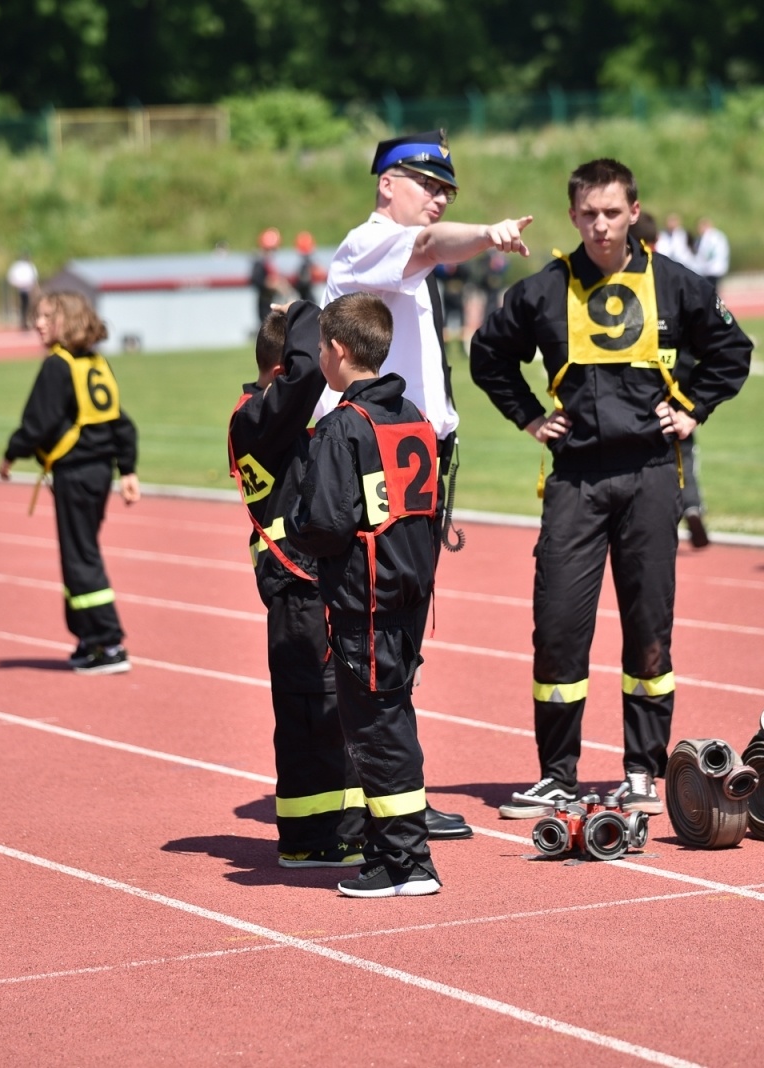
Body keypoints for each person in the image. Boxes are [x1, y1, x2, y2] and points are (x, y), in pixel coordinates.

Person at [470, 158, 753, 818]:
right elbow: (488, 354)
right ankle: (558, 775)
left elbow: (730, 350)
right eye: (588, 214)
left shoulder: (679, 283)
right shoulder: (542, 290)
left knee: (649, 633)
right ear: (573, 217)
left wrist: (690, 406)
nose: (600, 225)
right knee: (559, 629)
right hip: (575, 479)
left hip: (653, 476)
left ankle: (641, 773)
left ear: (633, 210)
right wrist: (531, 416)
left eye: (611, 212)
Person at [316, 129, 533, 841]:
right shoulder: (369, 243)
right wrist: (491, 231)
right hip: (371, 460)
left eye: (447, 191)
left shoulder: (409, 256)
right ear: (386, 184)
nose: (438, 198)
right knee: (371, 639)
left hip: (416, 463)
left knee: (402, 640)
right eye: (425, 184)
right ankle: (371, 797)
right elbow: (436, 247)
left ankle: (396, 791)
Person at [287, 292, 442, 897]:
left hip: (365, 599)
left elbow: (325, 521)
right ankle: (392, 847)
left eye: (322, 347)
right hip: (409, 593)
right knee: (393, 716)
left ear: (337, 350)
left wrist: (297, 529)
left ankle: (406, 861)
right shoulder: (413, 417)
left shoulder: (342, 428)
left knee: (377, 729)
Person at [229, 305, 367, 868]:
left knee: (338, 707)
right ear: (285, 365)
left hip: (317, 581)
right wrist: (310, 312)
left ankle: (349, 829)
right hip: (294, 584)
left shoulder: (276, 414)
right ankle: (308, 838)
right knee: (312, 711)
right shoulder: (260, 414)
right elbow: (309, 374)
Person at [0, 291, 140, 674]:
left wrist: (11, 454)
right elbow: (121, 423)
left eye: (47, 316)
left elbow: (36, 423)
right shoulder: (96, 363)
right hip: (98, 472)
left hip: (76, 473)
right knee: (81, 552)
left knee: (81, 557)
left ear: (69, 321)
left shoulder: (57, 366)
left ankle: (108, 642)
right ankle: (87, 639)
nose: (38, 323)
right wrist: (127, 469)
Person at [633, 213, 710, 548]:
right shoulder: (675, 280)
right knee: (684, 453)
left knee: (643, 464)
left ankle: (656, 525)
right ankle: (692, 505)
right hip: (677, 385)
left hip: (636, 392)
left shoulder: (619, 285)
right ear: (657, 242)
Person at [693, 216, 729, 290]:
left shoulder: (713, 237)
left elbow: (709, 253)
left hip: (712, 269)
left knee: (711, 290)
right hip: (708, 269)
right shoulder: (702, 238)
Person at [6, 252, 38, 329]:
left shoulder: (29, 266)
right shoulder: (20, 266)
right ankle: (23, 321)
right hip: (21, 289)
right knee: (23, 305)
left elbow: (33, 277)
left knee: (28, 305)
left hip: (28, 288)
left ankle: (26, 321)